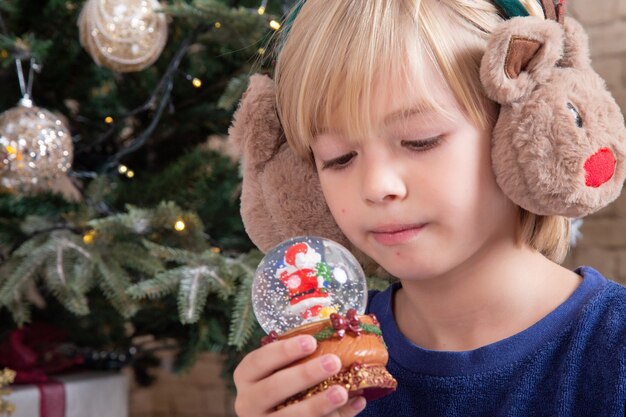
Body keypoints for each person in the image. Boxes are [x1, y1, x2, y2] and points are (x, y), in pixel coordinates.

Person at [231, 0, 626, 416]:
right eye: (339, 157)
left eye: (420, 141)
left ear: (520, 128)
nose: (377, 186)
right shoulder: (322, 372)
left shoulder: (614, 352)